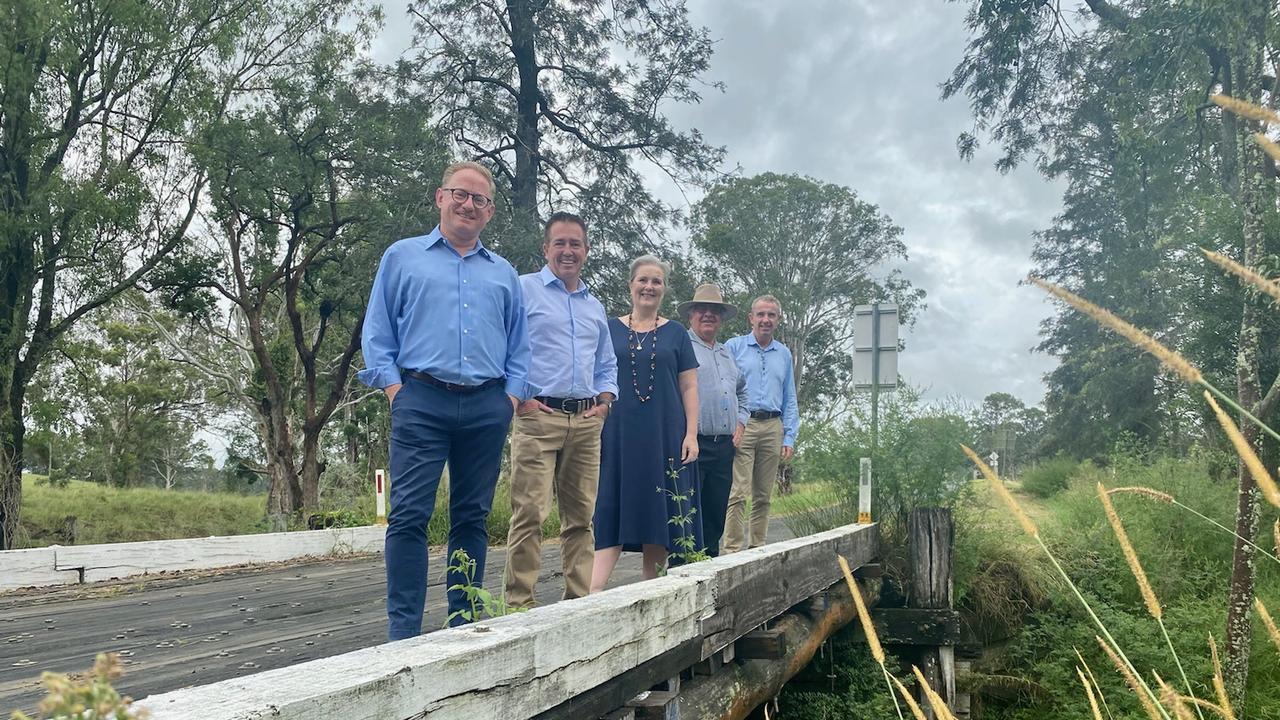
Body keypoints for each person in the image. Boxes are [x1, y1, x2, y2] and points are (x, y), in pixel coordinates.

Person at [359, 161, 535, 640]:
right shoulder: (402, 257)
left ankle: (462, 623)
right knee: (409, 514)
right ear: (440, 197)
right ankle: (404, 634)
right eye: (461, 194)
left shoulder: (504, 274)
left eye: (479, 199)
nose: (468, 204)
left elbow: (520, 343)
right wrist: (395, 390)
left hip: (485, 407)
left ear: (490, 211)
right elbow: (377, 330)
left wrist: (512, 398)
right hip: (421, 399)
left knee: (472, 517)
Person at [503, 212, 618, 608]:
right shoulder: (523, 290)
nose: (568, 251)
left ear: (586, 250)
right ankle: (519, 605)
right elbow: (503, 345)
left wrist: (605, 402)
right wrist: (519, 397)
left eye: (575, 244)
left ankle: (578, 601)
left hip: (586, 423)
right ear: (546, 248)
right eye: (560, 243)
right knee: (529, 513)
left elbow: (606, 363)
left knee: (581, 518)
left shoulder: (594, 307)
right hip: (538, 417)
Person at [590, 256, 700, 590]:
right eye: (643, 280)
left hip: (664, 431)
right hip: (617, 431)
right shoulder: (608, 328)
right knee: (610, 500)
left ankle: (649, 587)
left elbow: (689, 385)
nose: (649, 287)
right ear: (631, 285)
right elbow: (594, 373)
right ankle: (592, 591)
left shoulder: (677, 333)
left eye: (656, 281)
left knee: (658, 502)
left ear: (664, 289)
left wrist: (691, 433)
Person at [722, 295, 799, 553]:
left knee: (763, 495)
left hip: (772, 425)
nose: (766, 320)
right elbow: (725, 388)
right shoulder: (733, 347)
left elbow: (790, 396)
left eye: (771, 315)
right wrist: (732, 422)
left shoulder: (784, 353)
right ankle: (732, 550)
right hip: (744, 423)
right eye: (761, 314)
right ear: (751, 317)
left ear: (778, 320)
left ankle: (757, 548)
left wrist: (789, 436)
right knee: (738, 492)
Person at [677, 283, 747, 558]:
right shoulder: (681, 345)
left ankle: (710, 570)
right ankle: (682, 573)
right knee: (688, 513)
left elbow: (743, 389)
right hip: (693, 444)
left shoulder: (726, 353)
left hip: (723, 446)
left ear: (721, 317)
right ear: (691, 314)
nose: (708, 315)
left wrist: (741, 422)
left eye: (715, 311)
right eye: (702, 310)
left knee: (715, 514)